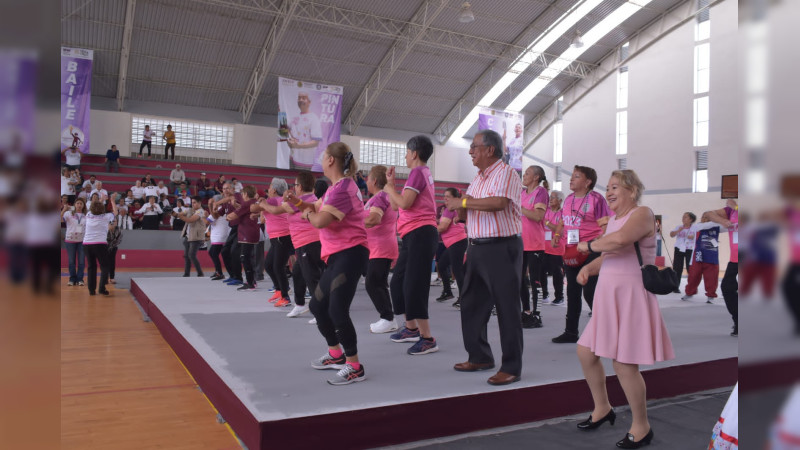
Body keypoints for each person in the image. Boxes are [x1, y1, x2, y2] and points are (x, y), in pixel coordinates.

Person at [573, 169, 674, 449]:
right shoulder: (615, 220)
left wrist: (588, 245)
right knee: (586, 352)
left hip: (631, 297)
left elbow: (619, 241)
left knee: (624, 364)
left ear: (632, 190)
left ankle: (641, 427)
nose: (609, 192)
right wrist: (589, 269)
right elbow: (610, 254)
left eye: (616, 187)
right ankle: (603, 408)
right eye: (608, 188)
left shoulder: (642, 214)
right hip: (609, 298)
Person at [445, 129, 524, 386]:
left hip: (502, 247)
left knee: (506, 307)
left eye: (475, 147)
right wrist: (461, 208)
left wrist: (464, 203)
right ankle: (479, 356)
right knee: (471, 303)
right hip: (477, 246)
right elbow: (468, 210)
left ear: (490, 150)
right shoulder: (477, 179)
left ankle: (511, 366)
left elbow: (498, 203)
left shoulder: (506, 173)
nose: (470, 151)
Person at [300, 142, 369, 385]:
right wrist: (299, 204)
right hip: (337, 255)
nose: (321, 159)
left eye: (323, 156)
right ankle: (336, 354)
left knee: (337, 310)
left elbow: (320, 220)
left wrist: (307, 214)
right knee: (318, 306)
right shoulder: (335, 188)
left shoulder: (343, 189)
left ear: (331, 160)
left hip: (350, 253)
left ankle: (355, 366)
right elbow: (314, 207)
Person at [384, 135, 440, 355]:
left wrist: (388, 189)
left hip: (421, 234)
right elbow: (396, 206)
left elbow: (404, 203)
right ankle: (411, 329)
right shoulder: (418, 174)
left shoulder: (418, 172)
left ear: (414, 153)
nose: (405, 156)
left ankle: (428, 338)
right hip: (411, 235)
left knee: (414, 286)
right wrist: (391, 185)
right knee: (398, 282)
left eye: (407, 152)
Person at [551, 165, 611, 344]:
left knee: (590, 292)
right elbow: (563, 221)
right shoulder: (568, 199)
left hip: (591, 250)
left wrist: (598, 242)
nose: (571, 179)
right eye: (572, 176)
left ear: (588, 182)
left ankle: (607, 331)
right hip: (571, 250)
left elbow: (605, 225)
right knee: (572, 291)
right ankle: (571, 332)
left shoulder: (596, 199)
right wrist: (557, 235)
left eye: (577, 176)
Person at [280, 171, 324, 318]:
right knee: (298, 274)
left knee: (312, 277)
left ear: (300, 186)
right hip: (302, 243)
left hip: (309, 242)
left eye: (295, 184)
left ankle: (321, 312)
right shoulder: (305, 199)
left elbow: (284, 208)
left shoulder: (306, 199)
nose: (294, 187)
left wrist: (285, 198)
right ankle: (299, 304)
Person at [362, 165, 399, 333]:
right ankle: (388, 318)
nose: (366, 181)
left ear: (375, 180)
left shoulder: (379, 197)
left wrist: (353, 224)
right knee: (379, 283)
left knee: (372, 283)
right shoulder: (381, 197)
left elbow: (374, 219)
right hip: (380, 246)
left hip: (381, 247)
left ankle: (387, 318)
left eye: (368, 178)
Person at [519, 165, 549, 328]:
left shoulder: (541, 192)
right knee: (520, 279)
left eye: (527, 173)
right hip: (521, 243)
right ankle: (526, 311)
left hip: (535, 243)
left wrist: (520, 208)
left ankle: (537, 315)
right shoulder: (522, 193)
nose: (524, 176)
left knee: (534, 279)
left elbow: (538, 216)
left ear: (536, 177)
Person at [706, 199, 739, 336]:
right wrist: (723, 221)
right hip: (735, 259)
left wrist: (737, 207)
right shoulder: (730, 211)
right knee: (727, 287)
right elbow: (709, 213)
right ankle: (739, 320)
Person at [258, 179, 293, 304]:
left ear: (273, 190)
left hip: (281, 237)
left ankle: (285, 296)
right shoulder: (278, 201)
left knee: (278, 267)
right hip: (277, 238)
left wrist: (261, 203)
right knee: (269, 265)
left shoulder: (272, 200)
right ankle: (279, 290)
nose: (268, 189)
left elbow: (253, 208)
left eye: (270, 187)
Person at [682, 213, 723, 303]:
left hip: (711, 256)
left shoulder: (717, 226)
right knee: (693, 275)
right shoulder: (698, 226)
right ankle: (689, 293)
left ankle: (710, 295)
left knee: (711, 277)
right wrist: (719, 220)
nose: (704, 218)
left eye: (707, 217)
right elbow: (707, 226)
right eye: (703, 217)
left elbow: (728, 227)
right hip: (698, 255)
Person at [437, 188, 468, 308]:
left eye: (448, 196)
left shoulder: (450, 209)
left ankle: (463, 298)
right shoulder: (450, 208)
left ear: (455, 198)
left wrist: (428, 228)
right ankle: (447, 292)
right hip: (454, 243)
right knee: (442, 265)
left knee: (457, 270)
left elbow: (442, 227)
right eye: (444, 196)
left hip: (457, 242)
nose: (445, 198)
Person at [226, 186, 260, 290]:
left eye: (242, 194)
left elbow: (232, 216)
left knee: (245, 257)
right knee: (249, 257)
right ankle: (252, 280)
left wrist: (228, 216)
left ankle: (250, 283)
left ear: (245, 194)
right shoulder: (254, 203)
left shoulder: (247, 204)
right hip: (253, 232)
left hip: (246, 234)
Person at [83, 199, 118, 296]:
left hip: (87, 244)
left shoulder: (88, 215)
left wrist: (101, 199)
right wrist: (112, 201)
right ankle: (101, 288)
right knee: (105, 266)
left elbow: (95, 206)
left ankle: (91, 290)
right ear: (103, 209)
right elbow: (115, 212)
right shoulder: (107, 216)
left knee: (91, 267)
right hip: (100, 244)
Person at [216, 183, 244, 286]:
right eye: (223, 189)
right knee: (225, 251)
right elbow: (217, 215)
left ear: (232, 189)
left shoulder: (237, 195)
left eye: (227, 188)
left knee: (234, 251)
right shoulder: (225, 203)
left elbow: (231, 199)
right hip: (233, 229)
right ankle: (232, 275)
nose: (225, 190)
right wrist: (211, 207)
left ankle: (238, 277)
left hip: (240, 227)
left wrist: (216, 203)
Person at [541, 190, 566, 305]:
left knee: (557, 274)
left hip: (557, 247)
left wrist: (547, 223)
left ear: (560, 200)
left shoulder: (563, 213)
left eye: (553, 197)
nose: (550, 199)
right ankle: (544, 295)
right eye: (550, 197)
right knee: (541, 271)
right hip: (543, 246)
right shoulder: (546, 211)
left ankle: (559, 297)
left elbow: (559, 230)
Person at [287, 91, 322, 169]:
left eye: (304, 98)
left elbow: (316, 142)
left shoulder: (314, 118)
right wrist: (290, 139)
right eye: (299, 98)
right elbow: (287, 128)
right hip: (292, 157)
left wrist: (298, 146)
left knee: (301, 177)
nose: (300, 100)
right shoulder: (295, 116)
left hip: (304, 162)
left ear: (309, 102)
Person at [174, 196, 206, 277]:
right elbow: (180, 214)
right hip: (188, 236)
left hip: (196, 237)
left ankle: (200, 273)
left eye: (194, 202)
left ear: (199, 203)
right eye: (192, 202)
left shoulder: (201, 211)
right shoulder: (189, 209)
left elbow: (190, 220)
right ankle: (186, 273)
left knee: (191, 255)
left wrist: (179, 216)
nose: (193, 204)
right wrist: (173, 213)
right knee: (186, 256)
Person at [669, 212, 697, 293]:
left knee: (690, 268)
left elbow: (696, 237)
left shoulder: (694, 228)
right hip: (679, 248)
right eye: (683, 217)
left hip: (689, 249)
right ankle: (675, 287)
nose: (683, 218)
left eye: (685, 217)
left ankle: (692, 287)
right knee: (677, 268)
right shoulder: (679, 227)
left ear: (691, 219)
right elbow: (671, 234)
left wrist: (692, 237)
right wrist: (678, 230)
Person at [62, 198, 86, 286]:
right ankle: (72, 279)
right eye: (78, 203)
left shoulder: (86, 215)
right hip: (70, 240)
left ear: (83, 206)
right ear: (75, 205)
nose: (79, 205)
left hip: (82, 241)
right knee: (71, 261)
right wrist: (64, 209)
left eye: (81, 203)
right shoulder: (68, 213)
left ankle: (80, 279)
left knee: (81, 261)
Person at [107, 220, 122, 285]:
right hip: (105, 247)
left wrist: (112, 245)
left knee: (112, 262)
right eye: (112, 221)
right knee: (105, 262)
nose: (113, 223)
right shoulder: (106, 229)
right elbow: (105, 239)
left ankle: (112, 277)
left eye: (115, 221)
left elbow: (119, 239)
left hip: (114, 247)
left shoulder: (118, 229)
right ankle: (105, 277)